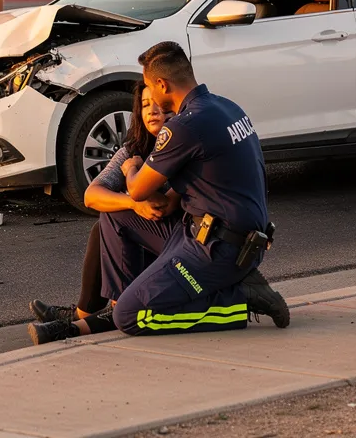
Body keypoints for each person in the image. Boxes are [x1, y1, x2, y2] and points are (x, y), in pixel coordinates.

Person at [30, 41, 289, 344]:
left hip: (218, 250)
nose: (151, 100)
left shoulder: (184, 126)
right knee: (113, 217)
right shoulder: (226, 107)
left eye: (152, 88)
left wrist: (130, 169)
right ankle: (112, 307)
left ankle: (236, 303)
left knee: (129, 317)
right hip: (214, 234)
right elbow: (163, 203)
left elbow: (139, 190)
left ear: (162, 85)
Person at [28, 83, 180, 325]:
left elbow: (163, 205)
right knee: (106, 221)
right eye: (144, 105)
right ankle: (86, 313)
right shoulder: (133, 150)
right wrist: (133, 203)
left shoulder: (180, 145)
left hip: (181, 243)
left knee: (111, 219)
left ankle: (117, 309)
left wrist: (134, 181)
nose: (152, 111)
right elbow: (91, 195)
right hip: (150, 242)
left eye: (159, 105)